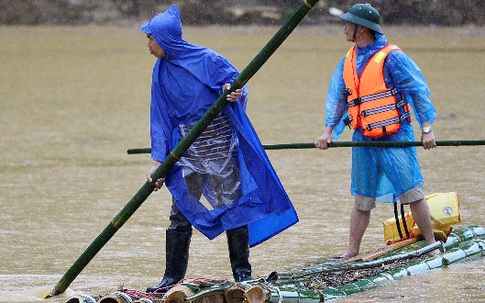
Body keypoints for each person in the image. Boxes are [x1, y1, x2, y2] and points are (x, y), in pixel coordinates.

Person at [140, 5, 298, 293]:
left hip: (220, 146)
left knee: (233, 207)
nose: (148, 46)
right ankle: (171, 279)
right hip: (186, 151)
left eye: (151, 39)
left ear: (165, 39)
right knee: (181, 212)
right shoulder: (160, 72)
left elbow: (236, 86)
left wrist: (234, 92)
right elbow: (159, 117)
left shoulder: (207, 59)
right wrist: (157, 161)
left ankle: (242, 273)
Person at [314, 3, 439, 259]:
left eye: (348, 24)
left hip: (395, 136)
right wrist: (328, 132)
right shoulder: (348, 59)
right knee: (361, 199)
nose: (344, 28)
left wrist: (426, 129)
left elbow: (417, 91)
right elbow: (339, 99)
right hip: (363, 138)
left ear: (362, 29)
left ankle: (431, 243)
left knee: (411, 192)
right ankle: (351, 252)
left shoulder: (392, 57)